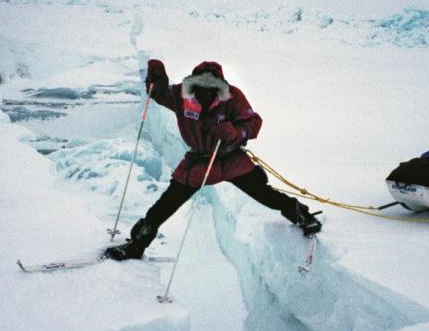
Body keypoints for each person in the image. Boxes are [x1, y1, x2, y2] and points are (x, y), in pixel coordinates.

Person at [104, 59, 321, 261]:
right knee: (166, 204)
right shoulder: (182, 95)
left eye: (212, 85)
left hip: (230, 160)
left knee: (264, 194)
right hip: (198, 163)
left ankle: (302, 215)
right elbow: (159, 95)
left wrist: (235, 132)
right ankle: (137, 245)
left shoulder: (233, 97)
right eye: (201, 84)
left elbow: (254, 124)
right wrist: (157, 82)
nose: (206, 89)